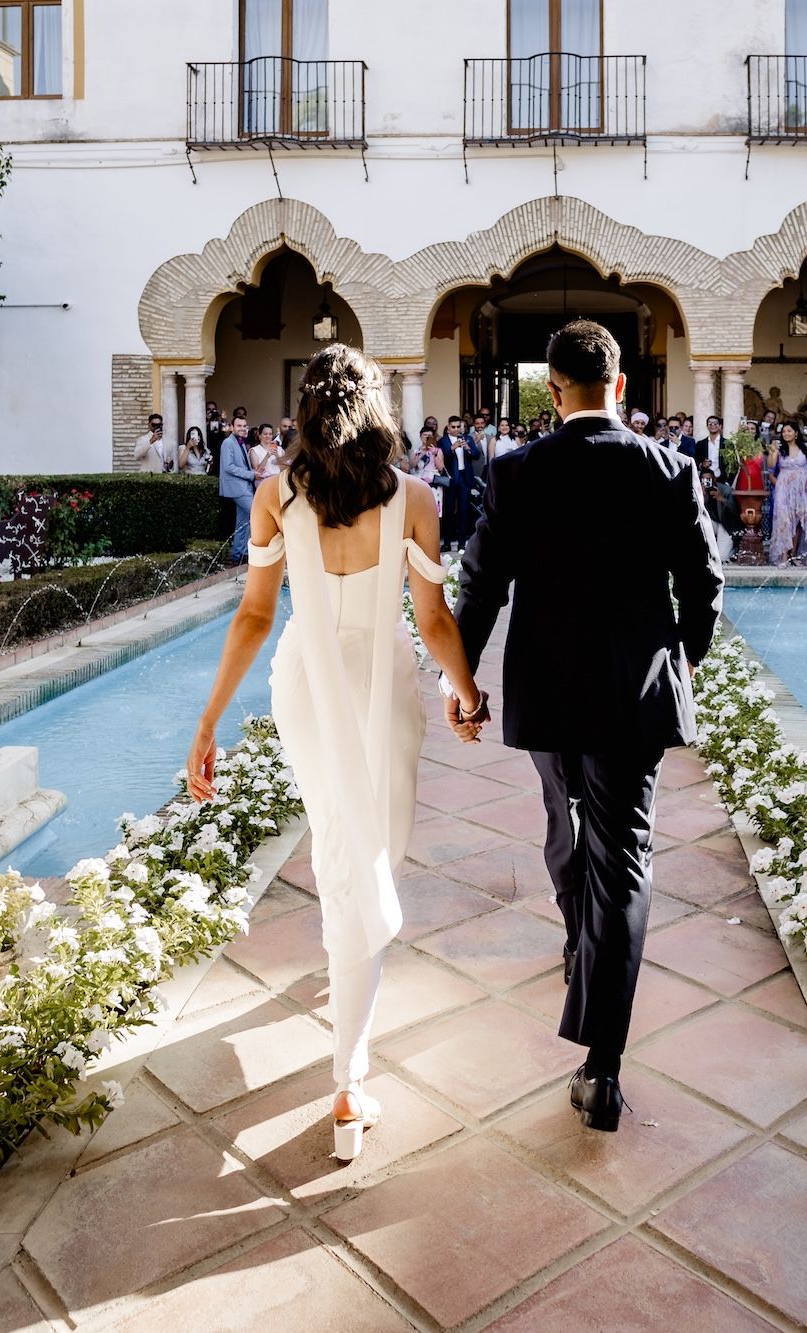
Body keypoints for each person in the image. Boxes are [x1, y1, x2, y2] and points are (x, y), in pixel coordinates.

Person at [185, 345, 485, 1162]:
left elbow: (253, 616)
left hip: (306, 689)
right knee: (370, 856)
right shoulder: (416, 498)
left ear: (306, 412)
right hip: (380, 688)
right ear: (377, 409)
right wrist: (466, 693)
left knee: (343, 852)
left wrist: (210, 719)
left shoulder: (278, 497)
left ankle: (348, 1042)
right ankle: (348, 1080)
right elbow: (431, 622)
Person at [454, 319, 723, 1133]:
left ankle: (582, 947)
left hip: (546, 694)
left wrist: (462, 685)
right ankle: (602, 1064)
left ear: (555, 390)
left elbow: (481, 588)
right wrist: (682, 661)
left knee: (564, 817)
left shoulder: (515, 473)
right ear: (621, 389)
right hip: (633, 699)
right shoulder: (670, 470)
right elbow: (705, 586)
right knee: (625, 857)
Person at [767, 421, 807, 567]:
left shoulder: (806, 448)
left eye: (789, 431)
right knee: (784, 520)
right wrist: (772, 452)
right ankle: (784, 556)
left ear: (796, 433)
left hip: (802, 487)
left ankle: (794, 554)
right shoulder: (779, 449)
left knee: (798, 521)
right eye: (784, 431)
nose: (786, 434)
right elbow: (771, 466)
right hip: (783, 487)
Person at [218, 413, 258, 562]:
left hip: (244, 486)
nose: (242, 428)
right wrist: (251, 474)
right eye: (239, 426)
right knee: (258, 514)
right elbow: (228, 467)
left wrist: (252, 474)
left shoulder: (240, 442)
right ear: (232, 427)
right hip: (237, 487)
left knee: (243, 522)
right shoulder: (228, 442)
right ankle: (252, 552)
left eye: (244, 426)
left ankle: (238, 555)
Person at [439, 425, 485, 547]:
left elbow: (476, 455)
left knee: (463, 512)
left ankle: (461, 544)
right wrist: (452, 448)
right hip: (451, 481)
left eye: (459, 426)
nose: (456, 429)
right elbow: (441, 456)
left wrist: (468, 447)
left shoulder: (468, 438)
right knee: (448, 512)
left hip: (464, 480)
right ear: (448, 428)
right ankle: (447, 543)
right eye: (453, 427)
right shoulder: (443, 441)